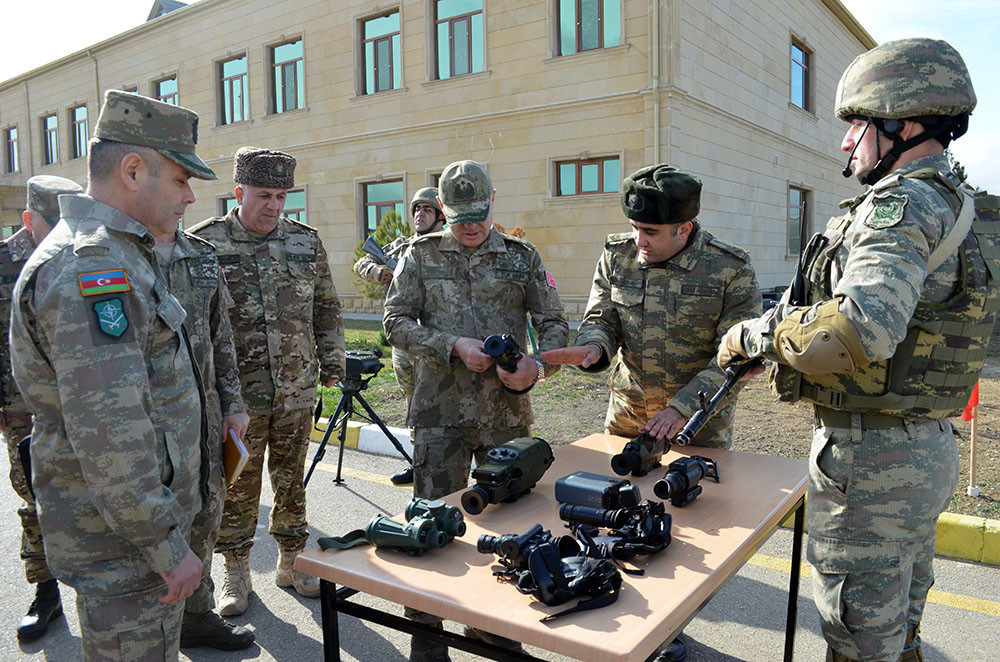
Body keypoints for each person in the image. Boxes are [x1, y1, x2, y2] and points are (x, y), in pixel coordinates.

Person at [716, 38, 993, 662]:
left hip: (871, 461)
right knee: (899, 623)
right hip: (924, 444)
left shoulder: (900, 205)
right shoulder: (961, 204)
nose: (846, 143)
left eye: (857, 126)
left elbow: (858, 330)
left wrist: (755, 338)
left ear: (903, 123)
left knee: (857, 637)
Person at [9, 89, 214, 660]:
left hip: (135, 540)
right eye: (179, 180)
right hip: (127, 550)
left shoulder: (121, 254)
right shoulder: (90, 267)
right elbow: (111, 433)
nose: (189, 196)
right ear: (132, 170)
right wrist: (167, 547)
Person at [542, 164, 761, 662]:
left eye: (651, 231)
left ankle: (668, 631)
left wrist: (682, 407)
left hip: (697, 429)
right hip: (627, 422)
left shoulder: (729, 268)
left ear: (684, 229)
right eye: (636, 228)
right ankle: (616, 621)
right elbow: (602, 318)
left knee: (685, 540)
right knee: (611, 522)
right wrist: (591, 350)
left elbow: (736, 359)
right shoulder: (617, 254)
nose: (639, 239)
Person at [384, 159, 568, 662]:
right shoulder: (418, 257)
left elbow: (554, 323)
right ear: (441, 207)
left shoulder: (522, 257)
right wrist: (450, 345)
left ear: (494, 201)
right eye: (459, 214)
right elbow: (394, 322)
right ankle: (426, 635)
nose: (470, 225)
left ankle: (492, 629)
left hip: (504, 418)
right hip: (440, 416)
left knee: (508, 529)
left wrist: (538, 368)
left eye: (479, 213)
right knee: (430, 527)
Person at [189, 146, 345, 617]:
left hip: (297, 388)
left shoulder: (304, 242)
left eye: (281, 196)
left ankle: (292, 559)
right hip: (238, 396)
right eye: (263, 194)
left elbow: (326, 307)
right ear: (238, 193)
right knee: (237, 485)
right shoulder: (205, 244)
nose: (274, 205)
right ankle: (237, 570)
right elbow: (194, 323)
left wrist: (334, 363)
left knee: (291, 478)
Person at [154, 217, 254, 650]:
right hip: (150, 424)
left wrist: (233, 404)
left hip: (206, 417)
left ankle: (196, 615)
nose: (187, 197)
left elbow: (221, 336)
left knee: (205, 510)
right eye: (178, 182)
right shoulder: (119, 255)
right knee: (157, 522)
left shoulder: (201, 255)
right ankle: (156, 624)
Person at [1, 175, 83, 641]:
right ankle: (45, 591)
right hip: (22, 405)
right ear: (29, 220)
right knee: (35, 497)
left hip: (83, 397)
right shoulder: (2, 262)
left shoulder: (83, 253)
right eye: (52, 226)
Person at [353, 187, 447, 485]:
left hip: (431, 340)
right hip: (402, 343)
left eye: (427, 210)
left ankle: (443, 467)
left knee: (437, 406)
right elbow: (360, 263)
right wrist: (380, 272)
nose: (420, 214)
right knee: (412, 406)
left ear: (441, 217)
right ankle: (418, 464)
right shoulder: (401, 245)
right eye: (417, 209)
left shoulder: (446, 248)